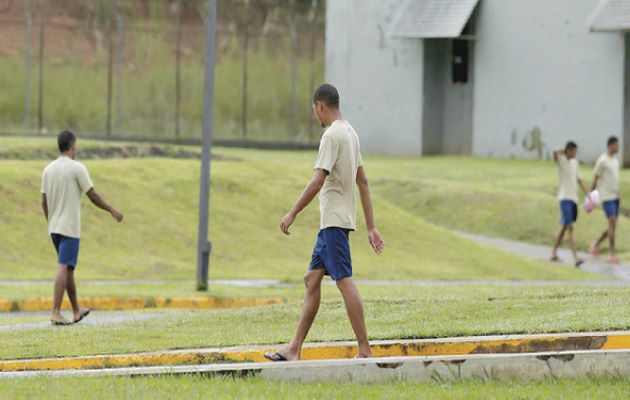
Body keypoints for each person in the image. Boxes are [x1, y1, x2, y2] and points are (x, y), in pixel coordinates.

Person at [264, 84, 385, 362]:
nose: (315, 117)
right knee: (312, 280)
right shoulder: (350, 132)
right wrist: (370, 226)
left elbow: (318, 179)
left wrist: (292, 212)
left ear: (320, 105)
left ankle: (365, 349)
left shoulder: (332, 136)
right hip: (334, 223)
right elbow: (363, 182)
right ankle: (294, 349)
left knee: (344, 281)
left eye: (314, 111)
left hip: (333, 222)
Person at [41, 131, 124, 325]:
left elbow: (44, 201)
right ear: (72, 146)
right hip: (69, 228)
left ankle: (77, 311)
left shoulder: (48, 170)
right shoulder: (77, 168)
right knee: (63, 267)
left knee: (68, 268)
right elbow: (92, 195)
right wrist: (112, 210)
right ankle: (55, 311)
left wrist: (50, 221)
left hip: (54, 228)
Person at [550, 142, 588, 267]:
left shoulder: (575, 163)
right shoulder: (561, 161)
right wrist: (563, 150)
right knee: (570, 227)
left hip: (573, 199)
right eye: (573, 151)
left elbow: (579, 180)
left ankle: (553, 253)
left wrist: (588, 194)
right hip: (564, 198)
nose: (575, 153)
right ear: (568, 150)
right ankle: (575, 257)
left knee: (565, 227)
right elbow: (555, 152)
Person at [588, 136, 621, 264]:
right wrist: (591, 196)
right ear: (611, 145)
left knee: (612, 226)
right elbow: (596, 177)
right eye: (617, 145)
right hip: (606, 197)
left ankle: (594, 245)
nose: (618, 148)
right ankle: (612, 254)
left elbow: (615, 179)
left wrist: (618, 194)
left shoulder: (615, 161)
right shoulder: (602, 160)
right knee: (612, 222)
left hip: (615, 196)